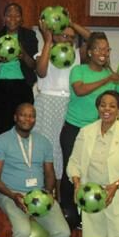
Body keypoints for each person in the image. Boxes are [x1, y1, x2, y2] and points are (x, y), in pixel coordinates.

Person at [58, 32, 119, 229]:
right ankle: (70, 216)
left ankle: (91, 208)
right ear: (89, 52)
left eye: (107, 49)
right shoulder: (79, 70)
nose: (103, 53)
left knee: (96, 170)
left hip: (98, 130)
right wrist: (107, 79)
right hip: (75, 128)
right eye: (98, 49)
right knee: (72, 172)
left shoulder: (111, 75)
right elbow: (80, 90)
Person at [67, 91, 119, 237]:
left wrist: (116, 185)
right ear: (98, 108)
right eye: (103, 105)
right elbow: (74, 162)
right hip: (91, 197)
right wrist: (77, 184)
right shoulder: (86, 131)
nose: (106, 109)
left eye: (112, 106)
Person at [0, 103, 70, 237]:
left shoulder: (43, 142)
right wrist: (13, 196)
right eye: (23, 115)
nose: (27, 119)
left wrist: (48, 192)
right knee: (23, 231)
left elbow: (49, 172)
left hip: (39, 194)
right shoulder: (0, 141)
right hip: (11, 194)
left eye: (32, 116)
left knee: (63, 233)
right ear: (15, 117)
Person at [33, 15, 90, 182]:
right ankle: (44, 185)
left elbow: (93, 38)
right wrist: (47, 42)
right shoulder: (43, 52)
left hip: (69, 104)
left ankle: (60, 187)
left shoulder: (77, 54)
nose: (69, 40)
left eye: (72, 37)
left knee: (62, 146)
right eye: (65, 35)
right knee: (46, 145)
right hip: (47, 103)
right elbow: (41, 72)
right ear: (55, 36)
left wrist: (71, 23)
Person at [0, 3, 38, 143]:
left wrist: (23, 54)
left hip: (22, 86)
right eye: (9, 15)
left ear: (22, 19)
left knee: (21, 124)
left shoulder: (29, 36)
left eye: (17, 15)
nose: (12, 18)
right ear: (4, 18)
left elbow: (33, 65)